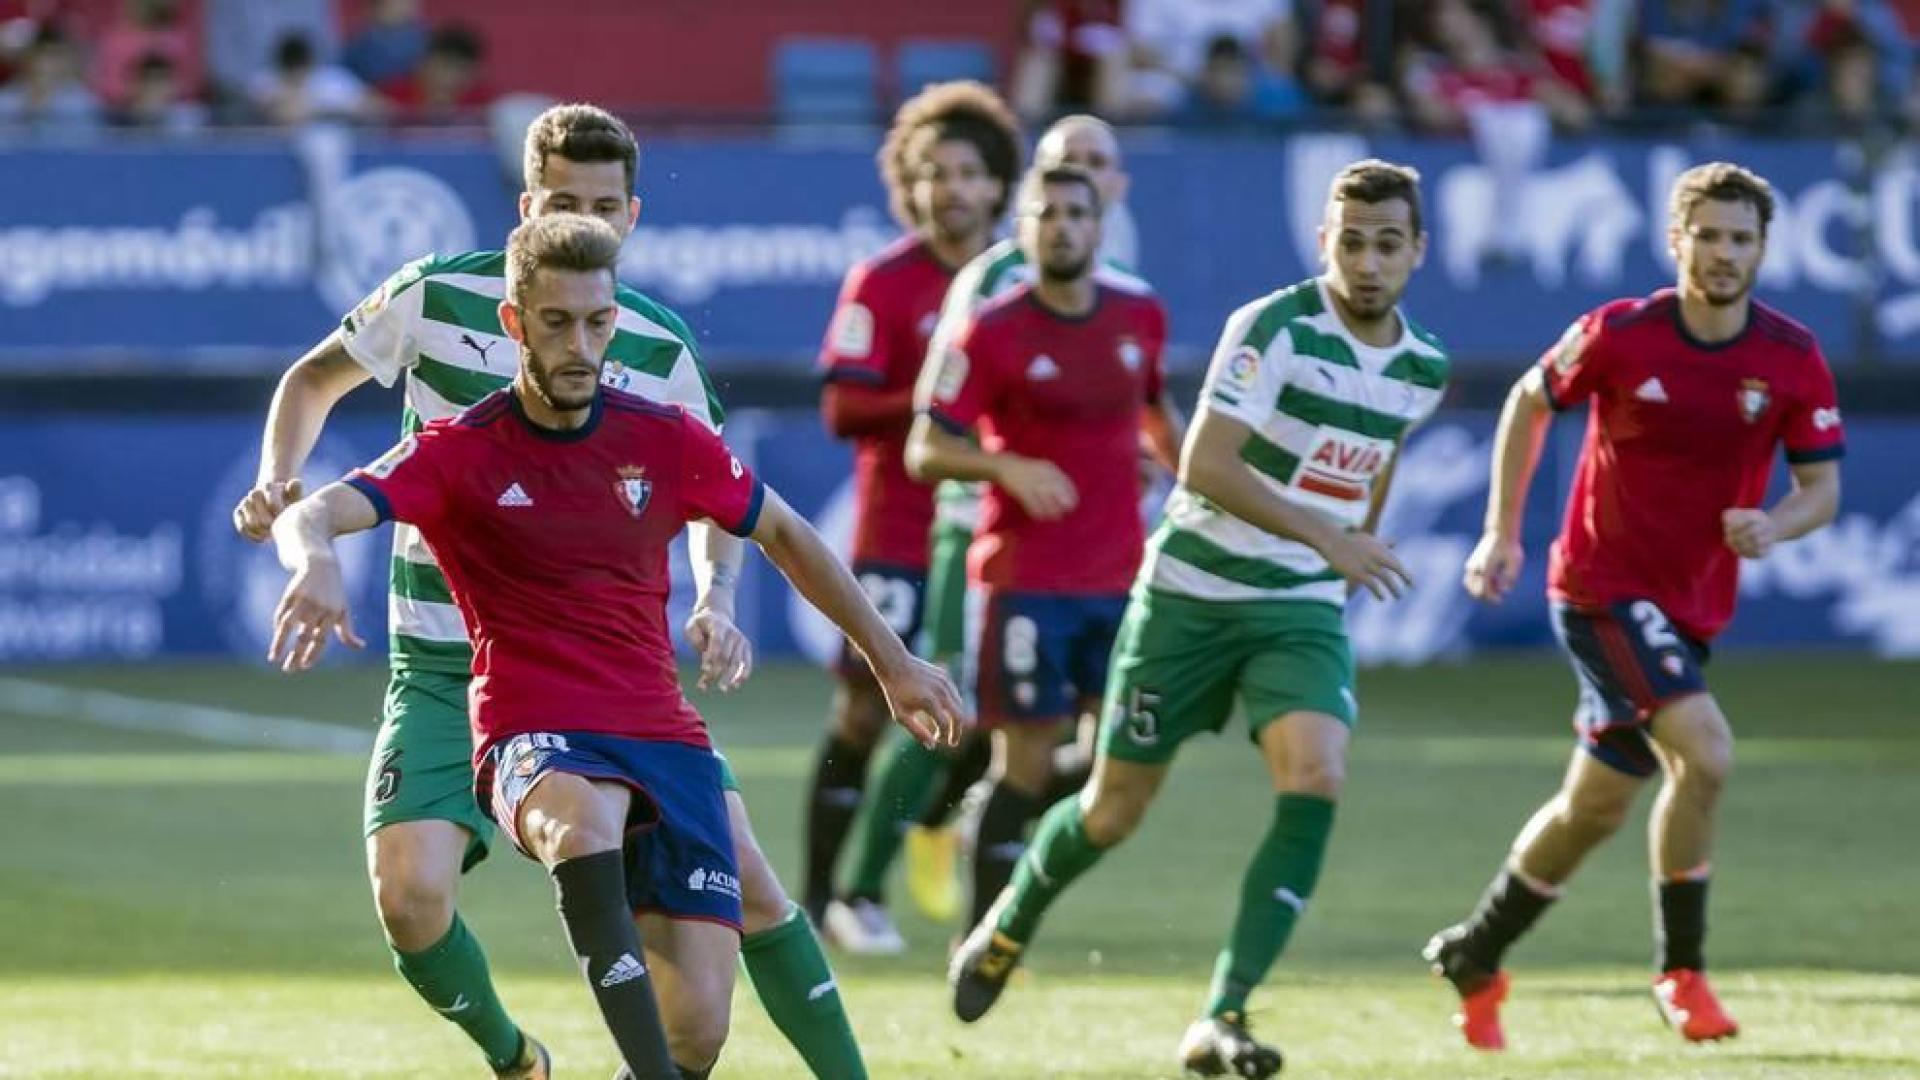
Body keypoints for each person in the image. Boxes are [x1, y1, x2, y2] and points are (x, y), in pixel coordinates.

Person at [233, 103, 873, 1080]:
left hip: (605, 671)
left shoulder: (655, 349)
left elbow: (727, 505)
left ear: (633, 216)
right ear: (526, 205)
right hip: (448, 661)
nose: (589, 224)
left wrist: (717, 597)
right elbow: (313, 381)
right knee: (409, 900)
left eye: (607, 208)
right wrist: (286, 484)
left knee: (744, 903)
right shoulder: (437, 298)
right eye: (566, 204)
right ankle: (514, 1056)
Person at [946, 159, 1441, 1080]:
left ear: (1417, 251)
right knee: (1113, 808)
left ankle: (1224, 1012)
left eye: (1388, 244)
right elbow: (1205, 465)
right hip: (1188, 597)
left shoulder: (1423, 367)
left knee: (1318, 776)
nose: (1368, 262)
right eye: (1352, 242)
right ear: (1324, 241)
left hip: (1295, 608)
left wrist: (1338, 559)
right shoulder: (1271, 329)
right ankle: (1008, 922)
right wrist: (1331, 541)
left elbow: (1374, 469)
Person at [1423, 161, 1845, 1051]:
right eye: (1709, 235)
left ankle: (1477, 949)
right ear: (1676, 240)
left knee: (1595, 806)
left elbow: (1822, 491)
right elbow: (1528, 401)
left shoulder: (1791, 357)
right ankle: (1681, 972)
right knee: (1709, 754)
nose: (1724, 253)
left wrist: (1776, 525)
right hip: (1601, 590)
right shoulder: (1621, 333)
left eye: (1741, 239)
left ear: (1765, 248)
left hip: (1690, 606)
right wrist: (1502, 531)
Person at [831, 114, 1157, 951]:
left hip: (1092, 551)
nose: (1080, 180)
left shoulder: (1122, 289)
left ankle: (979, 825)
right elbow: (941, 419)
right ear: (1031, 191)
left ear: (1115, 187)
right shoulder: (989, 284)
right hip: (978, 538)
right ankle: (861, 889)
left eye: (1097, 165)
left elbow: (1137, 411)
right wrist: (1008, 472)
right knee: (952, 710)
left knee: (1096, 741)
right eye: (1062, 165)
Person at [907, 163, 1180, 946]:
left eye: (1075, 214)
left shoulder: (1140, 317)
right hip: (1025, 581)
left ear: (1100, 230)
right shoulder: (991, 328)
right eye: (1046, 214)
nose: (1061, 226)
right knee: (1023, 765)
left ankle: (989, 855)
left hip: (1122, 580)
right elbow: (926, 449)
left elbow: (1157, 412)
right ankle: (984, 941)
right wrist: (1006, 466)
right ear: (1023, 232)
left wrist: (1185, 474)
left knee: (1114, 769)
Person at [806, 79, 1023, 932]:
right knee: (864, 709)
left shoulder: (1019, 282)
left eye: (968, 172)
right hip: (897, 531)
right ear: (910, 184)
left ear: (999, 183)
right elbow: (841, 408)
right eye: (933, 173)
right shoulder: (883, 281)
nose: (951, 189)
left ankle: (930, 824)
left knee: (990, 716)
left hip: (993, 539)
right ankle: (825, 901)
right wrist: (941, 399)